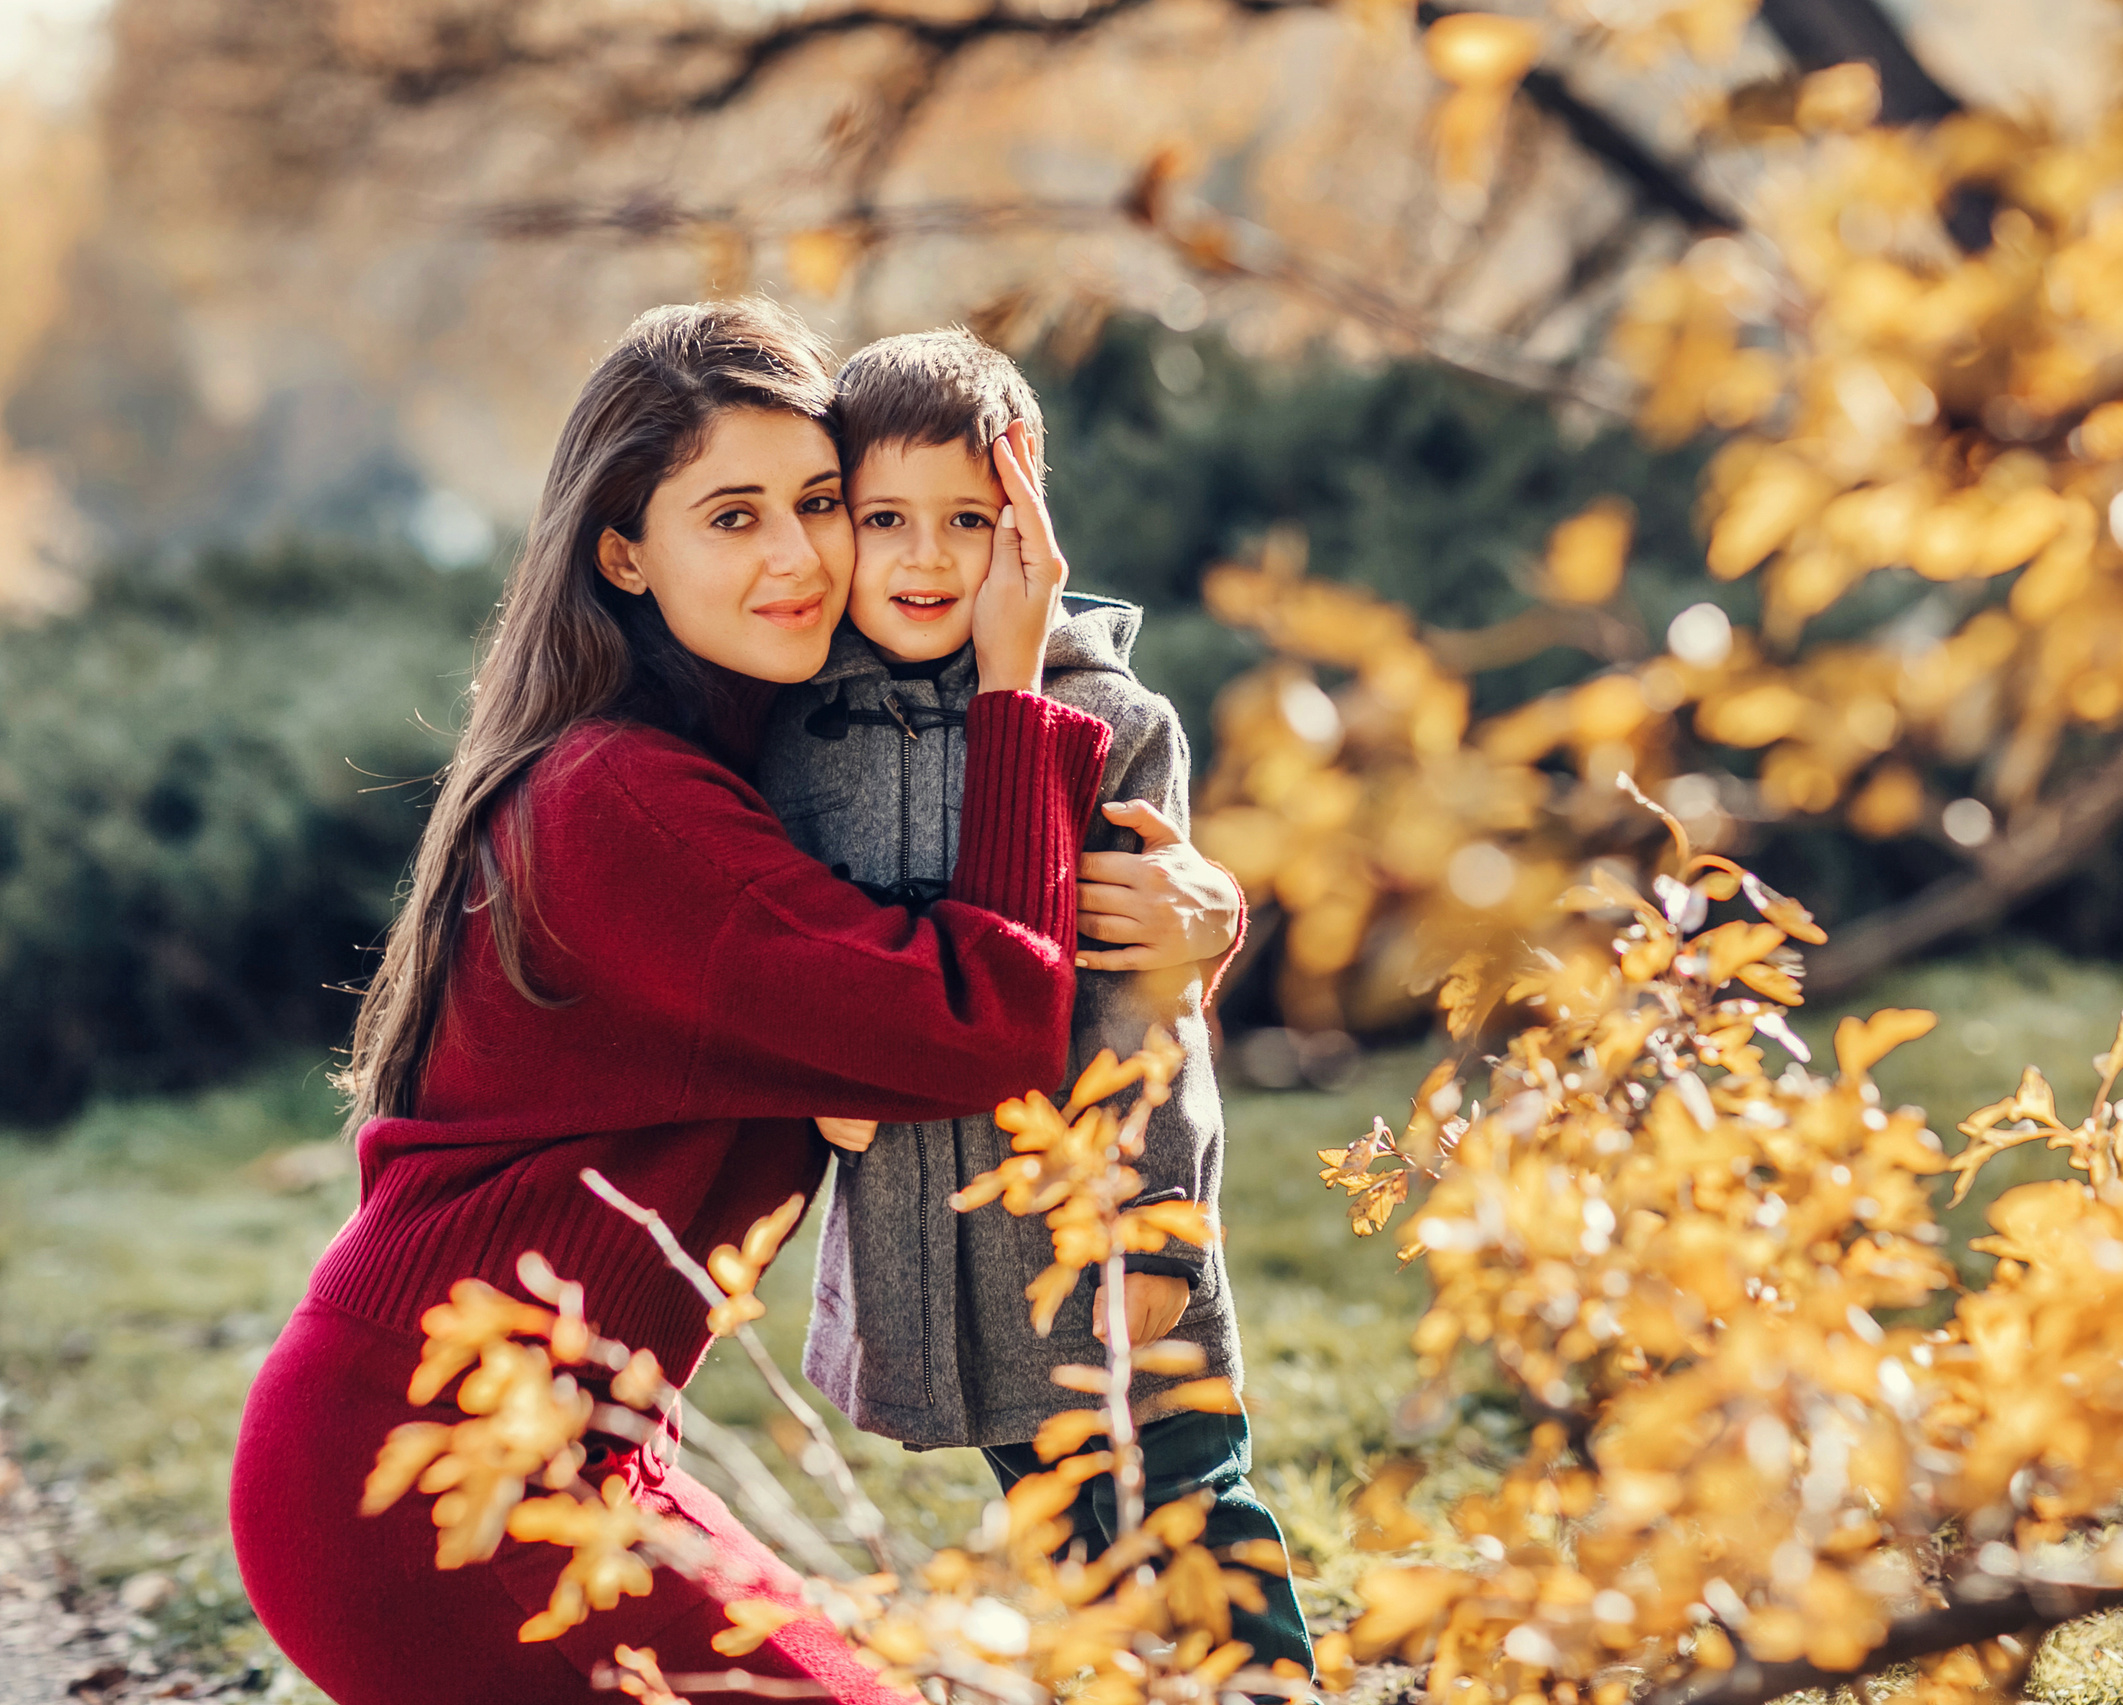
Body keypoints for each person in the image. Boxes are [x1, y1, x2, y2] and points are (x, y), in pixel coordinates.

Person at [227, 299, 1236, 1705]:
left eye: (820, 503)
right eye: (733, 517)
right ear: (623, 553)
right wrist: (1013, 690)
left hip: (585, 1448)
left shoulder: (758, 757)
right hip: (437, 1481)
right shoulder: (622, 802)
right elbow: (975, 1024)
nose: (799, 557)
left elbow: (924, 924)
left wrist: (1188, 910)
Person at [760, 328, 1313, 1677]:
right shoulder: (791, 732)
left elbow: (1149, 1013)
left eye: (971, 518)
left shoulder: (1108, 719)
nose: (928, 557)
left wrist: (1158, 1231)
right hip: (940, 1246)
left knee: (1188, 1503)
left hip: (1103, 1229)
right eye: (884, 518)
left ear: (1031, 527)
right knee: (1075, 1543)